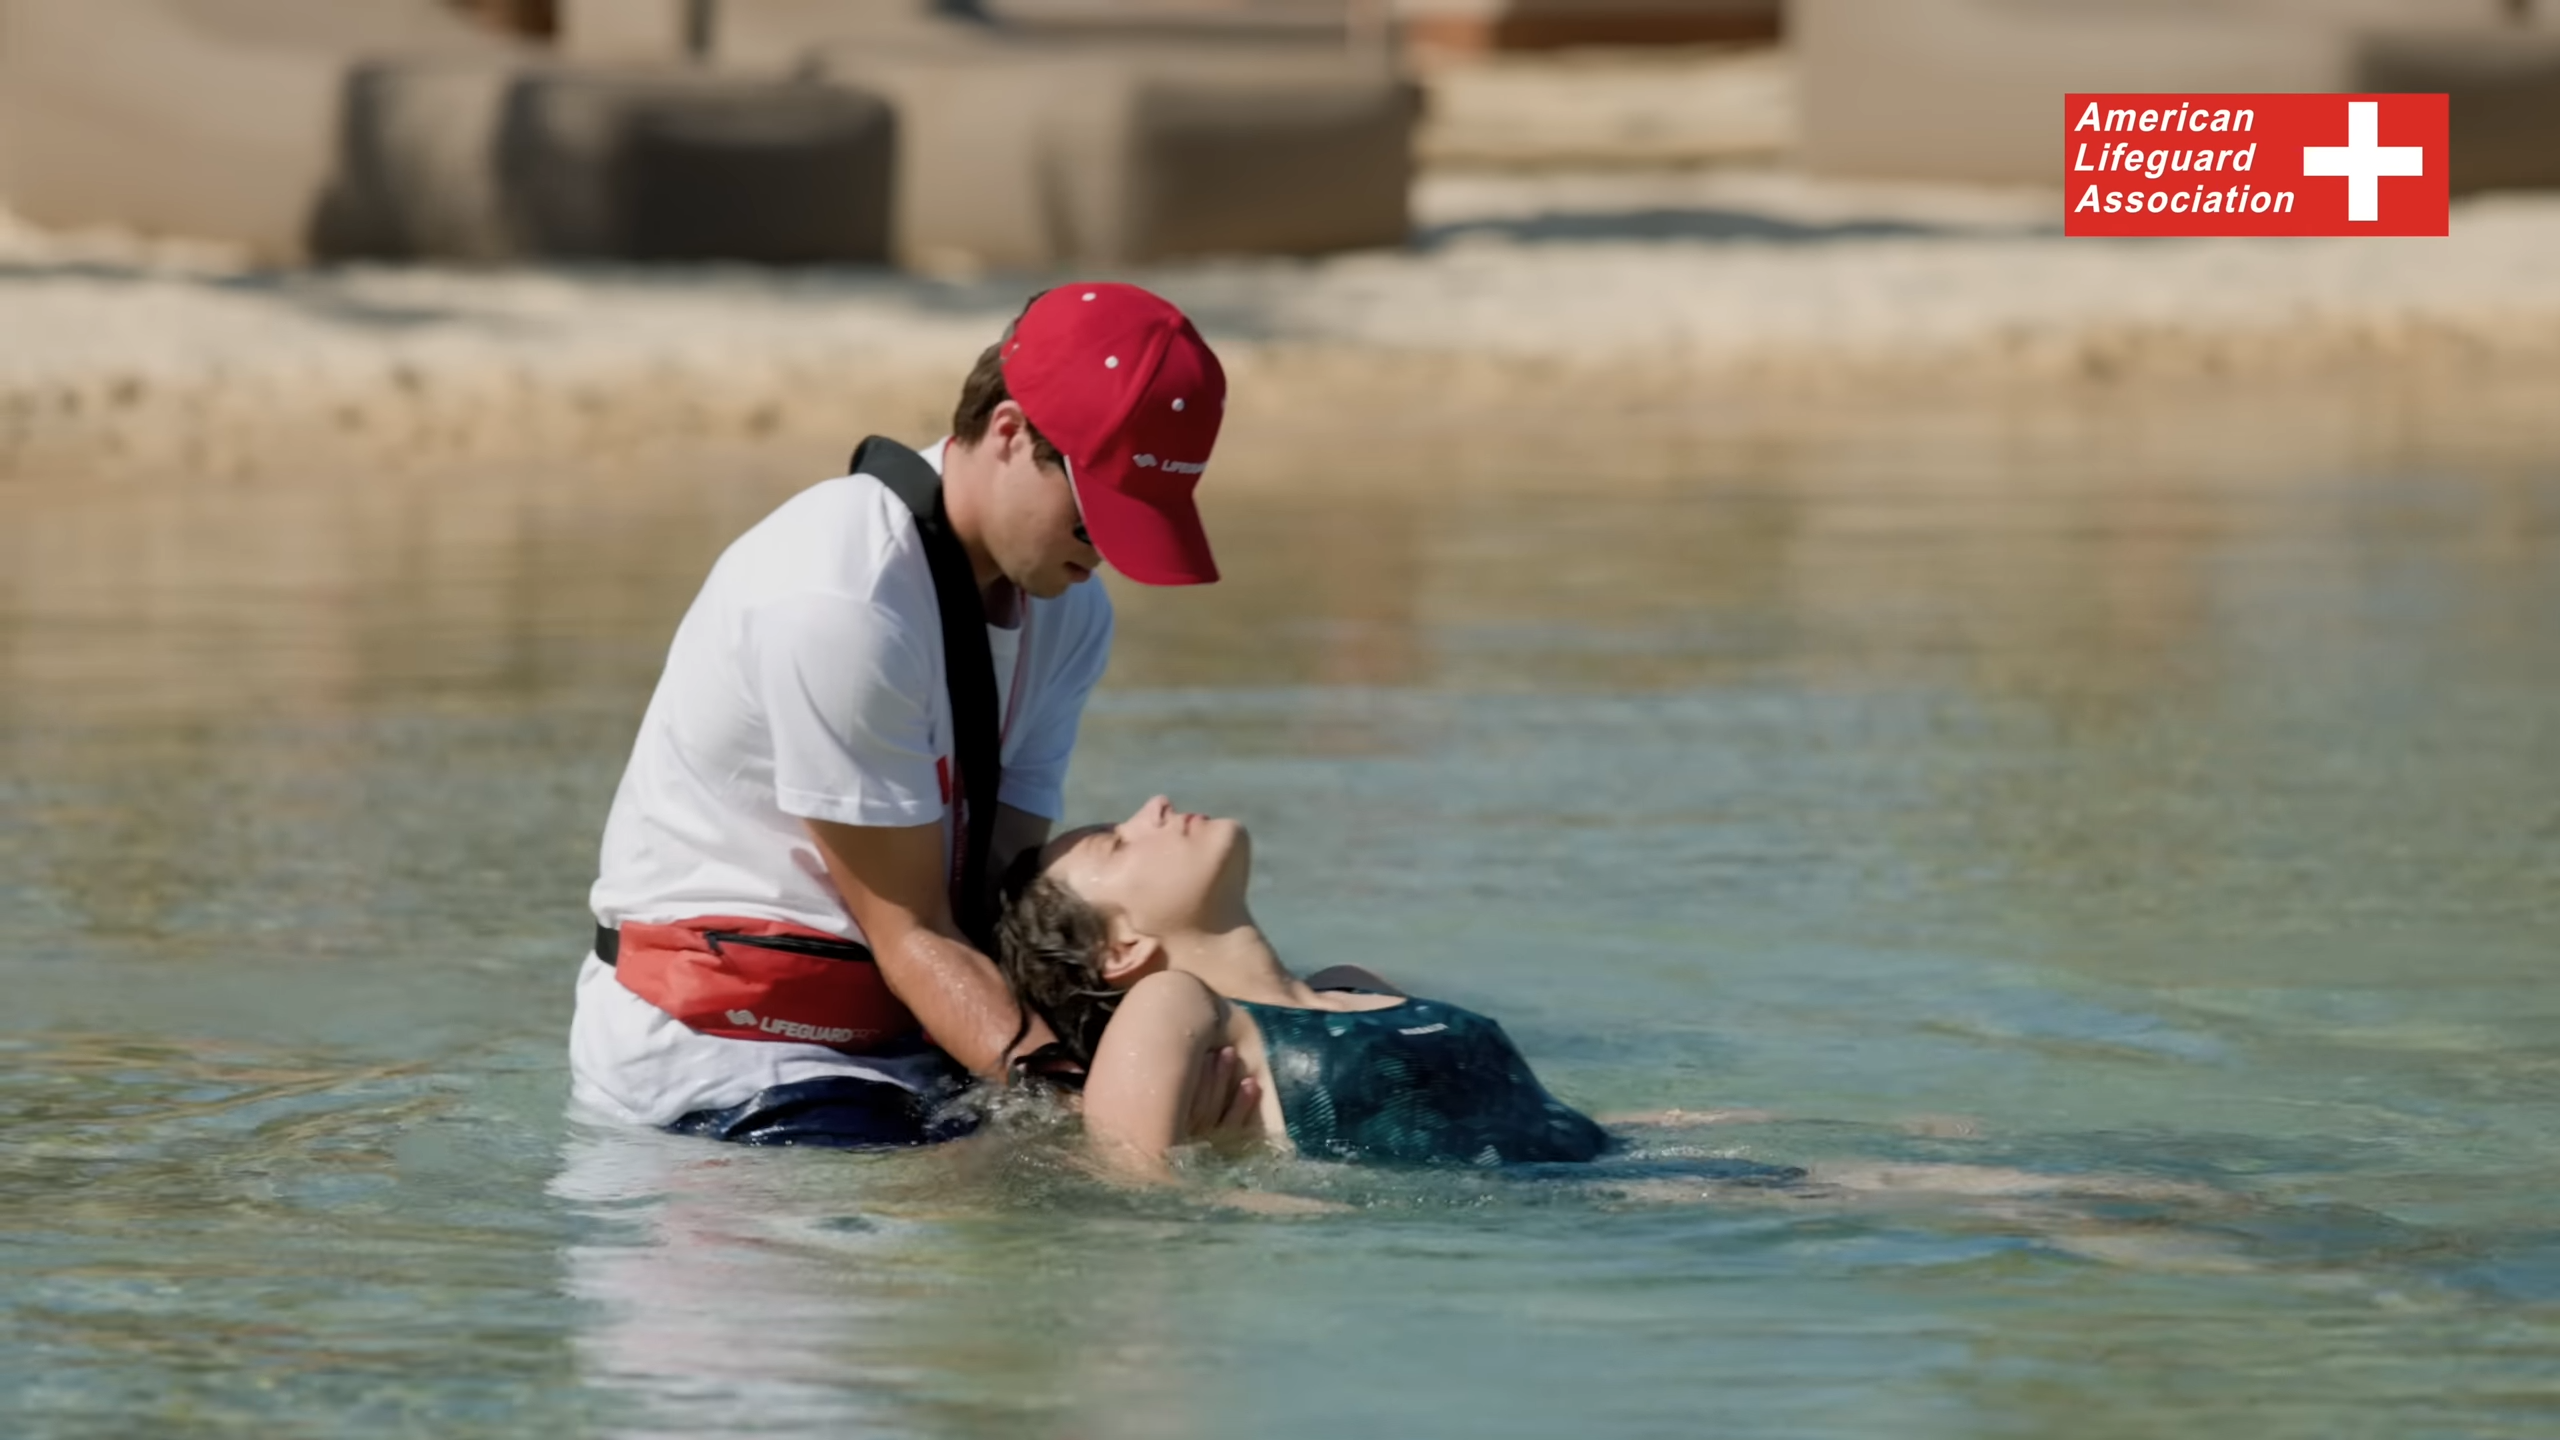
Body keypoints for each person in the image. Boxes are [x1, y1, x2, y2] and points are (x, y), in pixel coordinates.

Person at [570, 284, 1255, 1148]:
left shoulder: (1071, 608)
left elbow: (1000, 902)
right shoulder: (841, 595)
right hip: (725, 1055)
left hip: (909, 1036)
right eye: (1097, 514)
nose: (1109, 552)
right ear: (1008, 432)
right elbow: (913, 933)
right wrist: (1086, 1115)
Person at [993, 796, 1612, 1178]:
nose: (1154, 804)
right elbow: (1125, 1191)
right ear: (1120, 949)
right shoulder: (1174, 1005)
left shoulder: (1354, 985)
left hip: (1623, 1180)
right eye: (1117, 843)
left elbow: (1539, 1120)